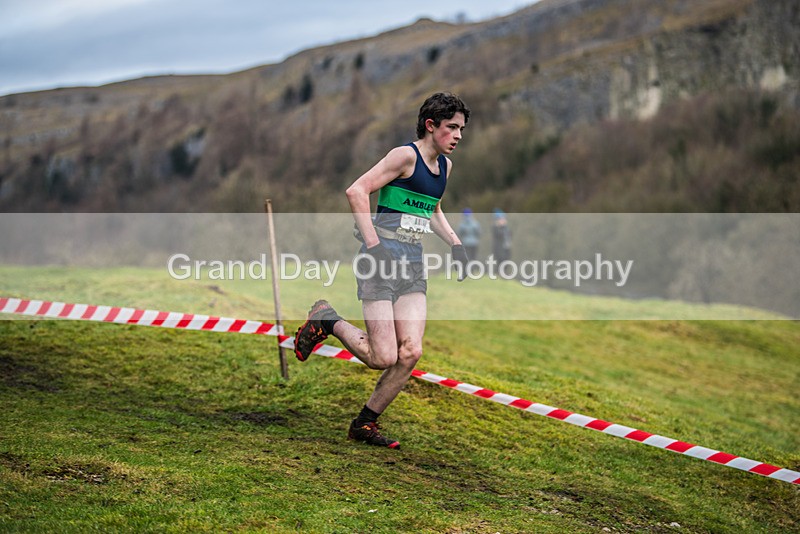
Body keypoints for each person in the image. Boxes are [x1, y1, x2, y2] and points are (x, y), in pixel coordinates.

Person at [293, 92, 471, 449]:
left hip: (413, 262)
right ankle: (327, 320)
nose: (458, 136)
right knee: (382, 356)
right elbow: (357, 191)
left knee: (410, 352)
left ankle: (364, 424)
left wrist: (455, 244)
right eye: (452, 128)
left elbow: (431, 208)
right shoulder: (405, 156)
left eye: (462, 129)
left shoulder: (445, 168)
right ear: (430, 125)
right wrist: (374, 246)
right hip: (379, 259)